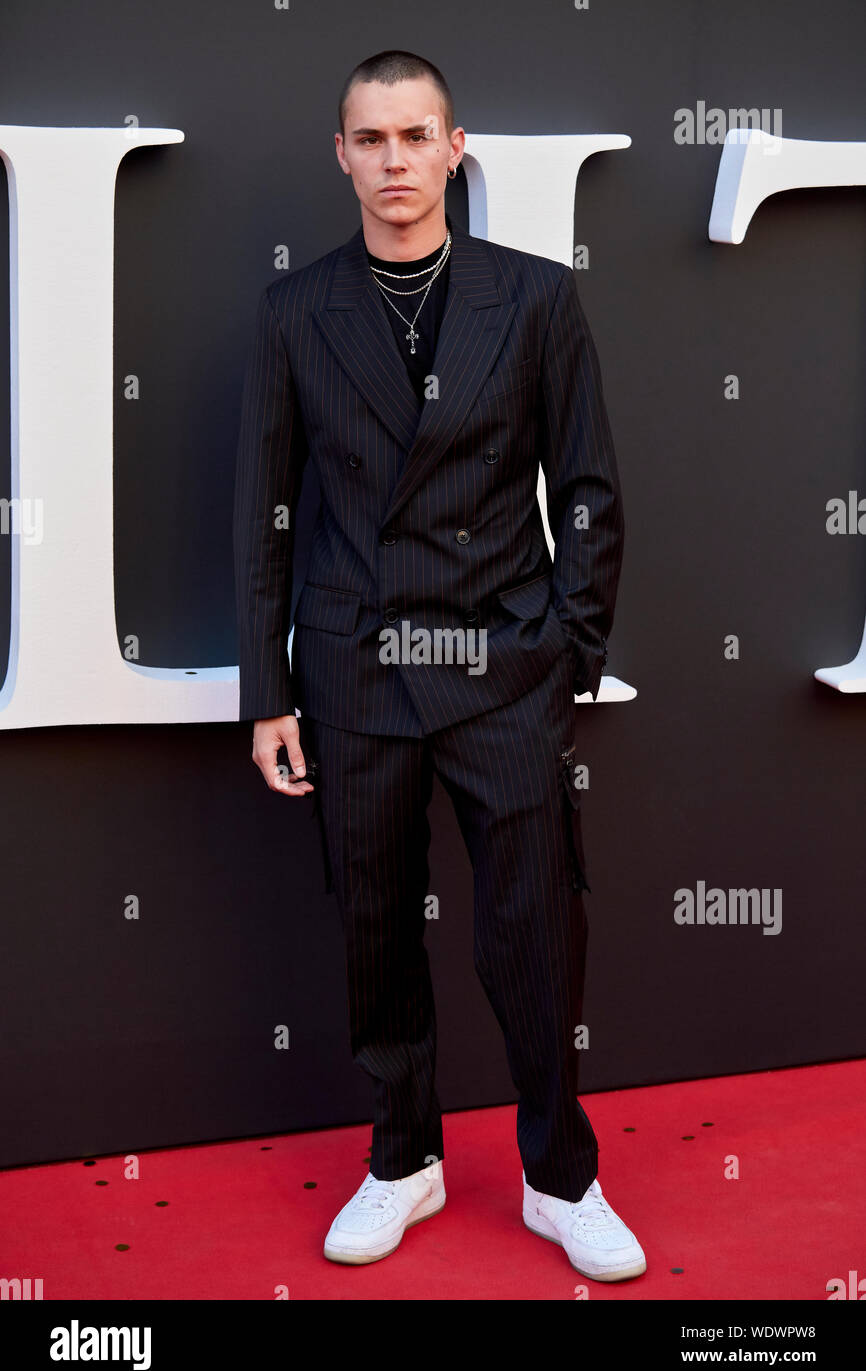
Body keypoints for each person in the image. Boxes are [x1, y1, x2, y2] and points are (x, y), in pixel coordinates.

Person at [233, 49, 645, 1282]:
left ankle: (557, 1178)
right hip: (356, 669)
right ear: (343, 157)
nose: (396, 160)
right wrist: (270, 691)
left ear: (454, 149)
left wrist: (562, 650)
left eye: (418, 137)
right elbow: (263, 515)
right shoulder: (295, 312)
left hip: (500, 661)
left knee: (532, 932)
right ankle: (400, 1159)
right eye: (372, 139)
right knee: (374, 931)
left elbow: (587, 491)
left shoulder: (530, 299)